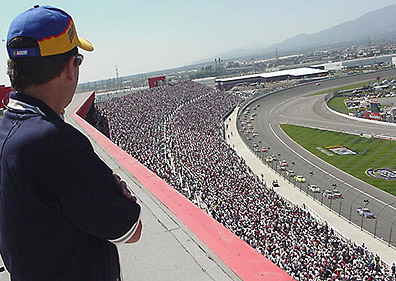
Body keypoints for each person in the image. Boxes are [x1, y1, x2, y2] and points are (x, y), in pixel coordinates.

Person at [0, 5, 142, 281]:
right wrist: (114, 192)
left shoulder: (6, 129)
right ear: (69, 67)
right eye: (77, 60)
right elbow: (129, 229)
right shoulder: (54, 141)